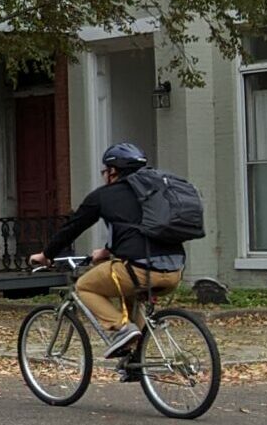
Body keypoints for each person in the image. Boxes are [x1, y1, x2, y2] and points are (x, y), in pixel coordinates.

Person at [32, 142, 187, 359]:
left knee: (84, 286)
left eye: (105, 170)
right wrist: (107, 251)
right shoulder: (155, 192)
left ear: (113, 171)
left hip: (140, 269)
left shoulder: (105, 196)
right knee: (133, 297)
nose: (104, 175)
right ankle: (135, 358)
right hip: (174, 270)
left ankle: (121, 328)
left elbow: (73, 227)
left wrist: (46, 254)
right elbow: (138, 229)